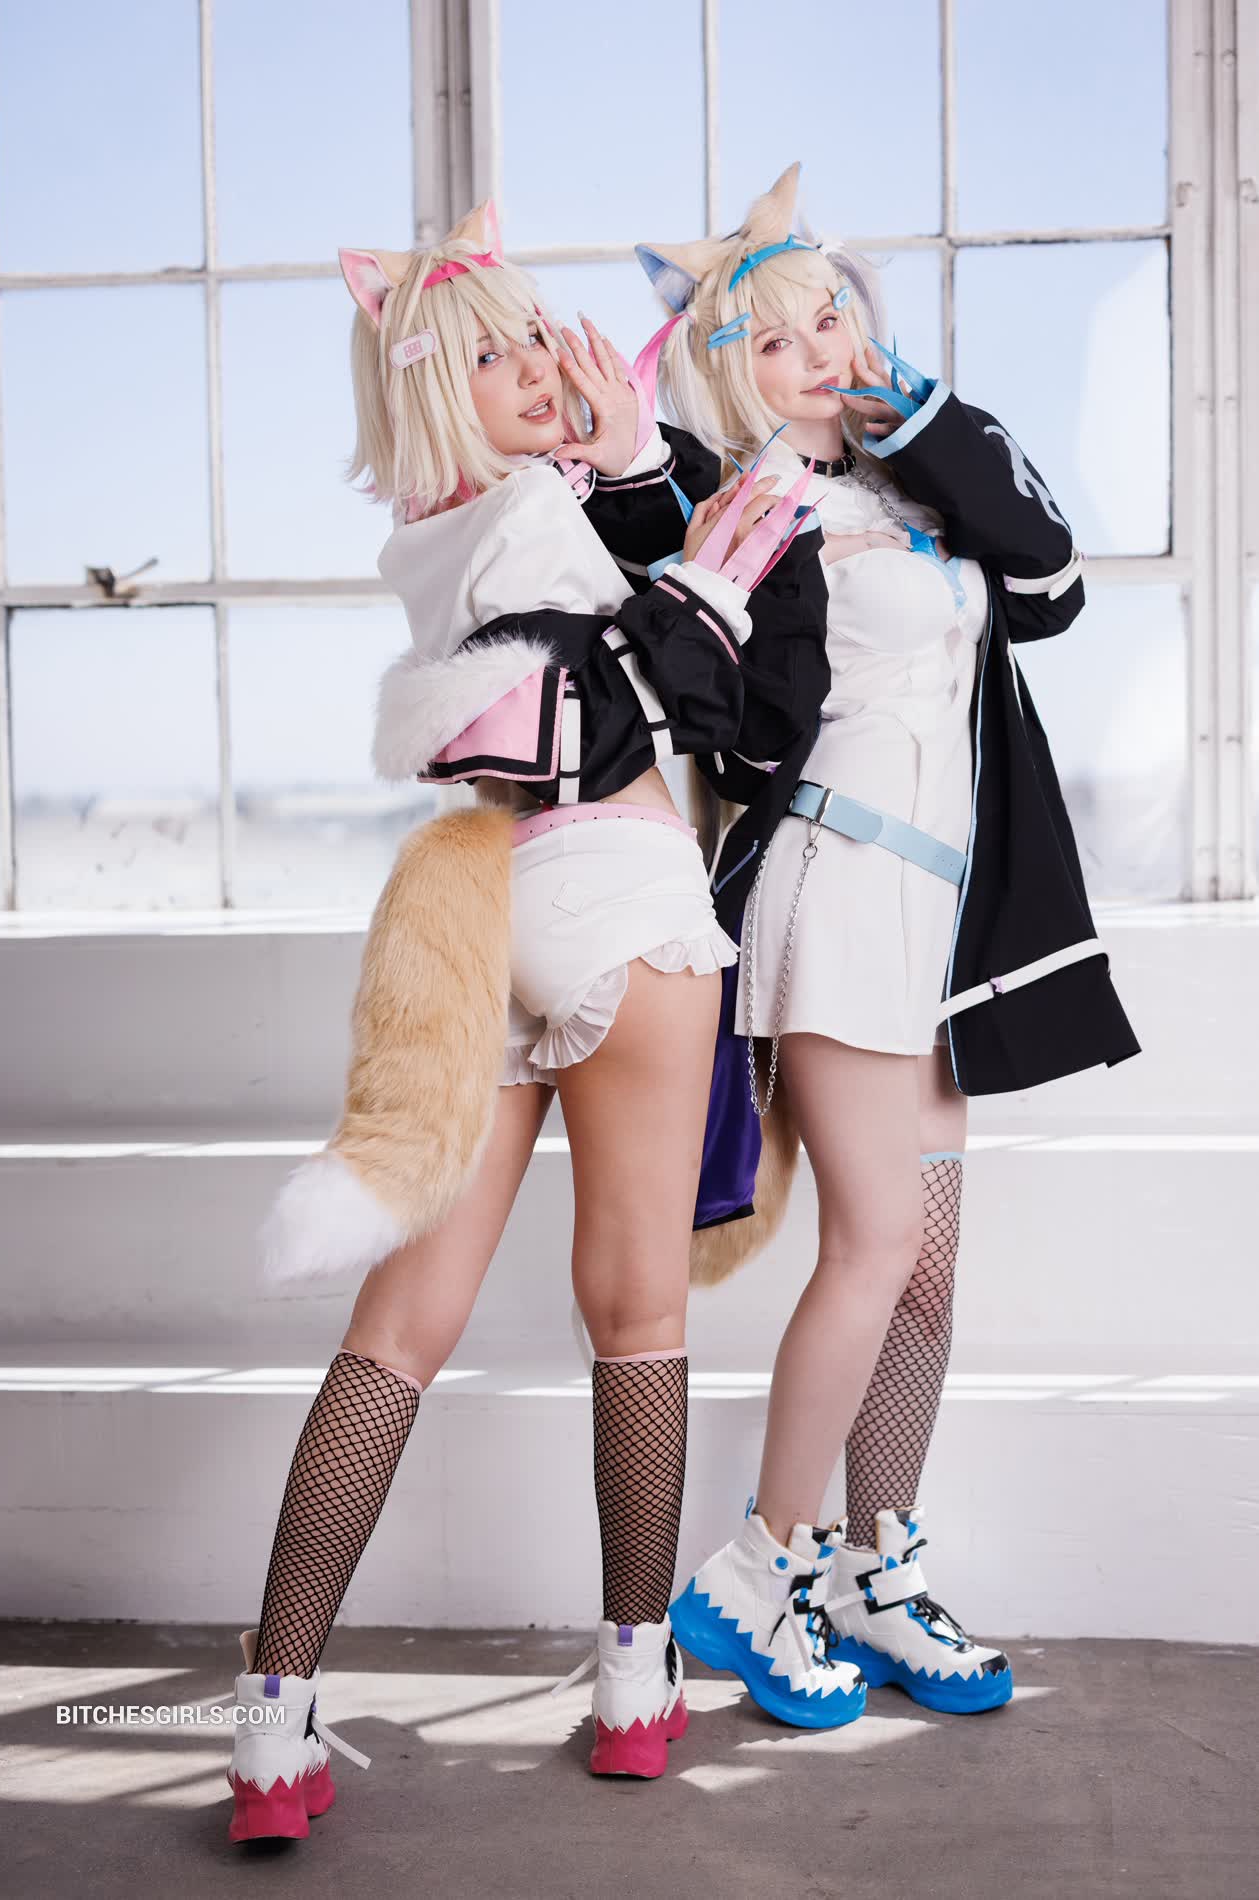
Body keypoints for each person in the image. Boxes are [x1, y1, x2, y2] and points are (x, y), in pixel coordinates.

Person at [219, 196, 835, 1840]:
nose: (544, 369)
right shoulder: (531, 518)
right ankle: (636, 1686)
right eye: (498, 358)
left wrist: (626, 481)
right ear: (442, 388)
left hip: (493, 915)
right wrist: (705, 562)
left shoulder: (434, 534)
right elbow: (639, 705)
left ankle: (271, 1722)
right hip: (622, 897)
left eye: (540, 341)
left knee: (394, 1332)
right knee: (638, 1319)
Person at [634, 163, 1139, 1719]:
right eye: (777, 340)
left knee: (926, 1271)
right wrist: (709, 539)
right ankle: (756, 1573)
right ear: (734, 371)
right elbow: (722, 702)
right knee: (874, 1249)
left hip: (939, 918)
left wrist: (916, 417)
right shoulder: (749, 505)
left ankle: (873, 1567)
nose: (816, 355)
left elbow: (1051, 579)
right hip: (840, 889)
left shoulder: (915, 487)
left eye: (830, 321)